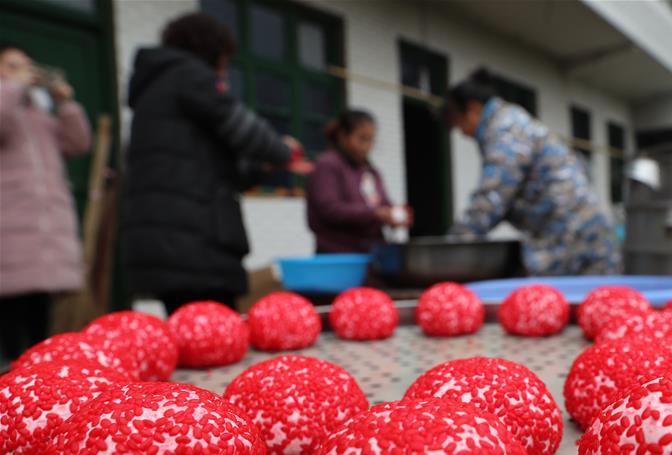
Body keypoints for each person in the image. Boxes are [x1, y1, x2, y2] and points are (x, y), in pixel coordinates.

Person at [122, 13, 304, 314]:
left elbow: (215, 170)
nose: (225, 73)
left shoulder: (160, 90)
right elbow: (241, 124)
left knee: (189, 331)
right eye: (225, 62)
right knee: (215, 335)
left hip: (170, 241)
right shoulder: (188, 76)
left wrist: (262, 168)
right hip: (193, 245)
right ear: (213, 52)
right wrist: (283, 151)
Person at [443, 68, 620, 276]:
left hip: (574, 239)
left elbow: (493, 197)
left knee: (584, 302)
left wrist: (451, 248)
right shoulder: (508, 120)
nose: (463, 133)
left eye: (459, 124)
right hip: (577, 235)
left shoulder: (505, 128)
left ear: (472, 108)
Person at [0, 43, 92, 364]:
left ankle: (38, 376)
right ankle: (12, 380)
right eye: (12, 65)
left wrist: (64, 103)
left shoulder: (38, 115)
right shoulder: (6, 104)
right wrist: (12, 86)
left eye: (25, 65)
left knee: (39, 308)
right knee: (9, 306)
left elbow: (78, 142)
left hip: (44, 229)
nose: (23, 71)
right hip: (9, 225)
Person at [305, 109, 411, 254]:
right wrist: (375, 214)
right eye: (362, 139)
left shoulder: (370, 170)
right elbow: (330, 209)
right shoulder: (328, 165)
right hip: (339, 255)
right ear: (343, 136)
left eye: (371, 140)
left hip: (371, 254)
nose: (366, 147)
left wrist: (394, 215)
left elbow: (383, 203)